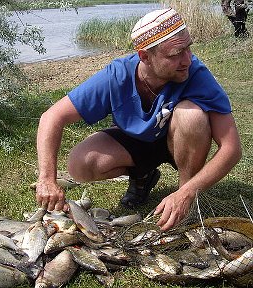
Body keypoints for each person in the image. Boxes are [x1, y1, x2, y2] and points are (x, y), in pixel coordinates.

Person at [36, 8, 242, 232]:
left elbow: (231, 149)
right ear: (145, 56)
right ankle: (143, 175)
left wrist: (187, 192)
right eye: (175, 54)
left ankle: (185, 198)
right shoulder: (117, 76)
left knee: (191, 115)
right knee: (80, 164)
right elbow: (51, 117)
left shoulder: (196, 74)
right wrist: (47, 178)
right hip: (138, 141)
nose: (187, 60)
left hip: (181, 141)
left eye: (188, 48)